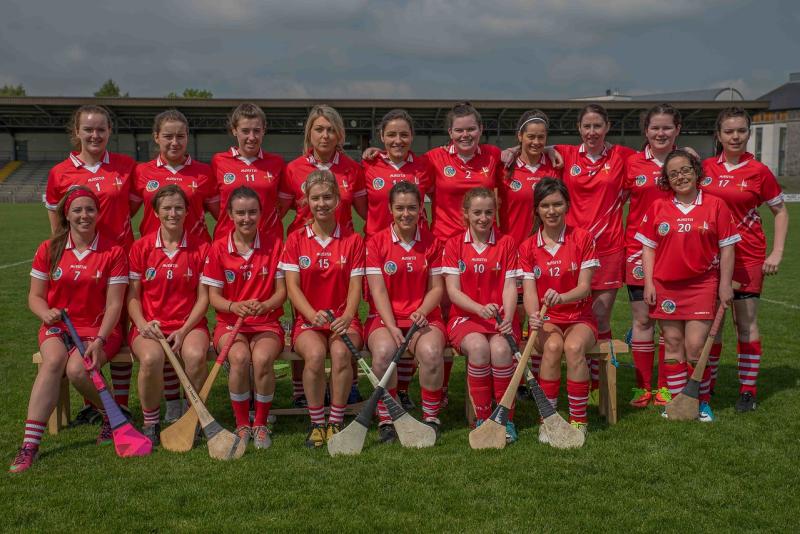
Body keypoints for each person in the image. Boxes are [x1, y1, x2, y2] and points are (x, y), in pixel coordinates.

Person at [10, 187, 128, 473]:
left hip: (100, 330)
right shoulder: (49, 248)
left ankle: (111, 415)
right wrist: (45, 312)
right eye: (77, 210)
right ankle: (29, 446)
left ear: (98, 213)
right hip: (59, 326)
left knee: (78, 370)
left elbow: (115, 305)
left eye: (90, 209)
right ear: (66, 214)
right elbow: (35, 296)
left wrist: (99, 340)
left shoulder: (113, 251)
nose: (84, 215)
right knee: (53, 361)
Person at [43, 105, 136, 423]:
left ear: (109, 131)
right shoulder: (60, 172)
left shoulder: (125, 166)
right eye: (88, 129)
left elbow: (131, 208)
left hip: (119, 262)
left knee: (117, 333)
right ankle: (94, 404)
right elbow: (57, 226)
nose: (95, 135)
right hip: (80, 266)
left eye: (101, 129)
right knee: (82, 331)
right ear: (77, 132)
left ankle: (120, 403)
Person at [637, 149, 739, 422]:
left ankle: (701, 402)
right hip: (666, 286)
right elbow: (648, 248)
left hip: (702, 285)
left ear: (696, 171)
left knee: (695, 347)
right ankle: (677, 403)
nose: (680, 177)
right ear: (666, 179)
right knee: (672, 344)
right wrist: (648, 283)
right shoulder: (658, 207)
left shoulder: (716, 205)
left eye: (685, 170)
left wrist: (724, 285)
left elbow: (727, 248)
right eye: (673, 174)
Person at [701, 107, 788, 412]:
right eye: (729, 131)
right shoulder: (705, 167)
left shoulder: (759, 171)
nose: (735, 136)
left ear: (749, 134)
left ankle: (747, 391)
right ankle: (707, 387)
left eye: (741, 131)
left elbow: (780, 211)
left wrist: (776, 252)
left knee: (745, 323)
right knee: (711, 322)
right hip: (710, 258)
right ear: (719, 135)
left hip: (748, 255)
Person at [280, 105, 366, 407]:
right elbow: (278, 211)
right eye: (319, 129)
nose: (325, 135)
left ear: (340, 134)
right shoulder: (293, 169)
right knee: (303, 319)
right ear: (310, 133)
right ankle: (301, 391)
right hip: (304, 250)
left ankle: (349, 386)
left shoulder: (353, 169)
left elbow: (368, 213)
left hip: (343, 248)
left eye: (331, 129)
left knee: (347, 317)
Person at [553, 104, 636, 402]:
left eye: (597, 126)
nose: (592, 132)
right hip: (572, 249)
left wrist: (686, 149)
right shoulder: (565, 154)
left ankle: (597, 386)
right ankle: (577, 377)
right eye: (586, 126)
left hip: (609, 249)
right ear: (578, 128)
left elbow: (657, 159)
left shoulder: (623, 156)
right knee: (571, 316)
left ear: (607, 127)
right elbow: (533, 147)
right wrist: (511, 151)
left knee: (599, 318)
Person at [278, 170, 365, 448]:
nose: (321, 204)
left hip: (344, 320)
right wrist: (310, 314)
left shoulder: (353, 240)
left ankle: (336, 420)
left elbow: (355, 287)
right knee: (315, 355)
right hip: (309, 321)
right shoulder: (295, 239)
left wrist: (347, 316)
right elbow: (292, 287)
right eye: (315, 198)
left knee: (340, 353)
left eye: (327, 197)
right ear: (307, 201)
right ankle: (317, 423)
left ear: (337, 200)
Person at [201, 187, 286, 449]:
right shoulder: (218, 248)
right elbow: (213, 298)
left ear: (260, 214)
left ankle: (260, 423)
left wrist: (265, 305)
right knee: (238, 358)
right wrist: (234, 306)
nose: (246, 218)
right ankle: (241, 423)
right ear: (229, 215)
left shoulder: (274, 244)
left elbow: (282, 293)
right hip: (230, 324)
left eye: (252, 212)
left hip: (266, 322)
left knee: (262, 358)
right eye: (240, 213)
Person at [127, 185, 211, 445]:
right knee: (151, 358)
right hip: (150, 325)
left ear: (187, 211)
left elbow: (204, 298)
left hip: (189, 324)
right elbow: (132, 296)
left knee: (195, 356)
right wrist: (142, 324)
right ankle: (151, 422)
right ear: (156, 212)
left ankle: (192, 417)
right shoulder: (141, 247)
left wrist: (184, 330)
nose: (172, 213)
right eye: (166, 208)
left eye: (178, 208)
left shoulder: (201, 247)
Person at [362, 109, 434, 408]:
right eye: (391, 134)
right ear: (381, 137)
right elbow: (360, 206)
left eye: (404, 134)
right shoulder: (368, 165)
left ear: (412, 137)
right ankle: (385, 400)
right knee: (387, 316)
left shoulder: (425, 165)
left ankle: (402, 388)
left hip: (416, 249)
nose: (397, 140)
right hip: (380, 252)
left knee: (415, 314)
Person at [519, 178, 599, 441]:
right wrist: (533, 315)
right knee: (552, 347)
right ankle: (548, 419)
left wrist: (561, 297)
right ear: (537, 210)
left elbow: (584, 288)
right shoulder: (528, 246)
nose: (551, 211)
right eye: (545, 206)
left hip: (580, 317)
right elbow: (530, 292)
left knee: (574, 347)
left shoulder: (583, 238)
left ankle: (578, 419)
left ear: (567, 206)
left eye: (557, 204)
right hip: (547, 318)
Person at [365, 182, 446, 441]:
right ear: (390, 209)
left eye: (412, 207)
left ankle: (431, 417)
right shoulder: (376, 243)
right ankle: (387, 418)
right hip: (385, 317)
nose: (406, 214)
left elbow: (437, 288)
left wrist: (422, 310)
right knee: (382, 353)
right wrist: (391, 326)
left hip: (424, 316)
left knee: (431, 354)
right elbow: (378, 291)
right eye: (399, 208)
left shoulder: (432, 243)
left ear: (421, 208)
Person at [441, 187, 519, 442]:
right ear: (466, 214)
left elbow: (510, 286)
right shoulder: (454, 244)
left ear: (495, 213)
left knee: (501, 350)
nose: (483, 218)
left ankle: (505, 419)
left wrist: (508, 318)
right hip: (466, 317)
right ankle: (483, 418)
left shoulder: (507, 243)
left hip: (500, 318)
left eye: (488, 212)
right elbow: (453, 291)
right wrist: (478, 308)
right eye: (477, 213)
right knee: (478, 348)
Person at [623, 104, 683, 408]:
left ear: (677, 130)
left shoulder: (684, 163)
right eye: (655, 128)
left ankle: (665, 387)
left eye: (667, 127)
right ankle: (642, 387)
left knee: (669, 323)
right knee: (643, 320)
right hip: (637, 251)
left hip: (675, 252)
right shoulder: (631, 163)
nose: (661, 133)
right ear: (646, 131)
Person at [130, 109, 219, 242]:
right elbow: (122, 215)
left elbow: (223, 217)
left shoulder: (205, 172)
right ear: (156, 137)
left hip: (196, 249)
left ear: (187, 136)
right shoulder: (141, 171)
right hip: (153, 249)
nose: (175, 142)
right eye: (168, 136)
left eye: (180, 136)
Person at [211, 103, 287, 240]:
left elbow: (282, 206)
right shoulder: (218, 161)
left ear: (264, 130)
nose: (251, 137)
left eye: (256, 131)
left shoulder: (277, 163)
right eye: (245, 131)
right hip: (227, 240)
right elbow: (215, 206)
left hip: (268, 241)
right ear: (234, 130)